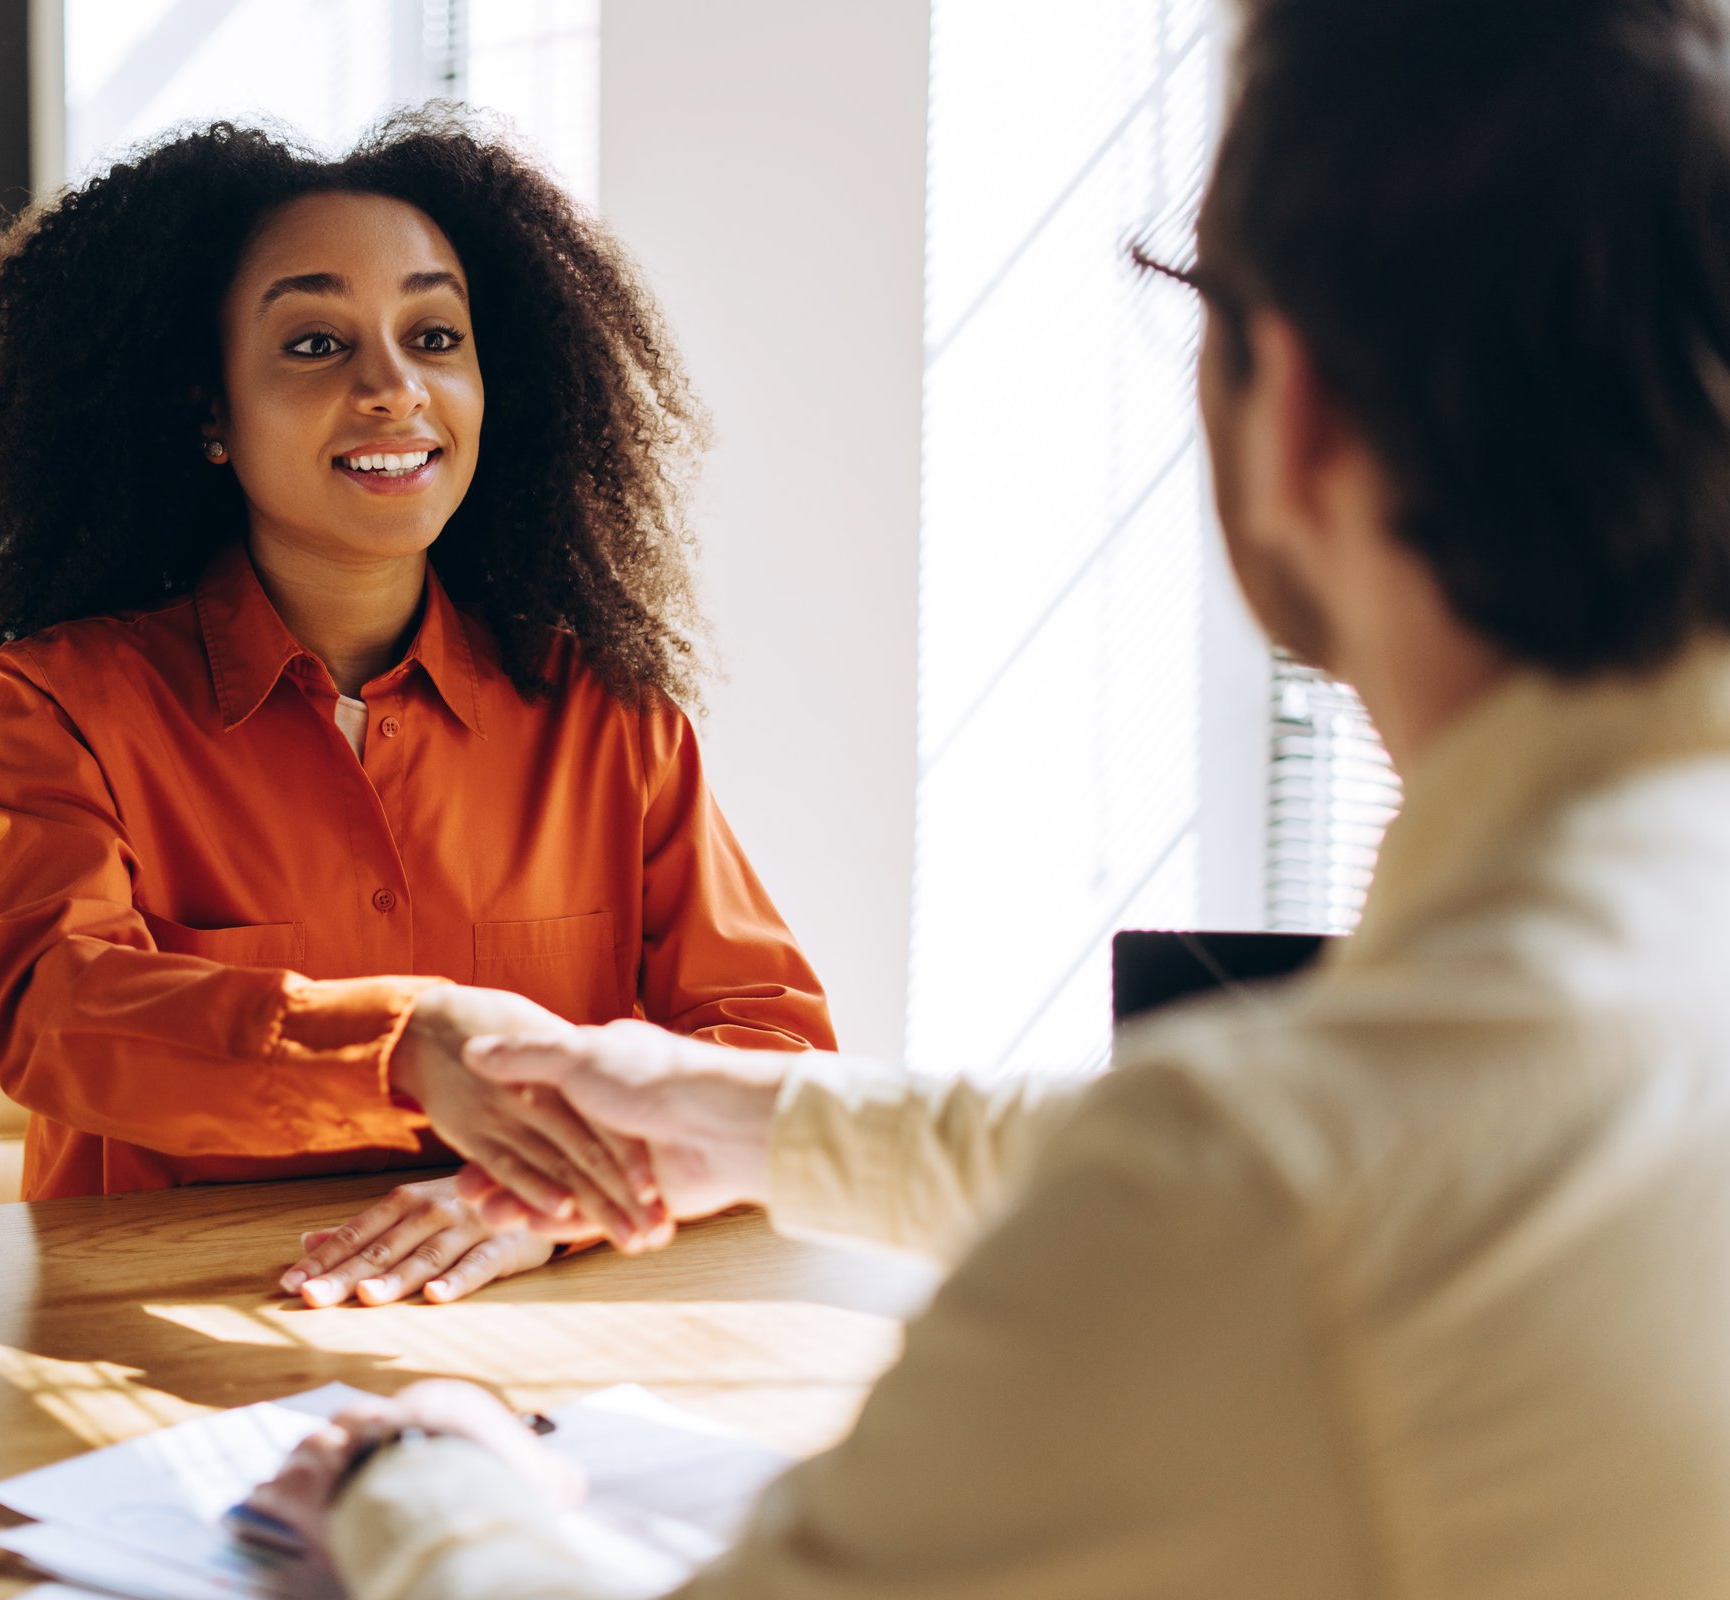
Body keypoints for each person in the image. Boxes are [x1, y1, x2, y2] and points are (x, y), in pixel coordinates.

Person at [247, 0, 1730, 1591]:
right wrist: (749, 1122)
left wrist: (422, 1485)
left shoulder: (1274, 1189)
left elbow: (1245, 1185)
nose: (389, 388)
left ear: (1294, 412)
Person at [0, 113, 834, 1310]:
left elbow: (774, 1052)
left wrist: (541, 1203)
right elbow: (53, 1009)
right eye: (315, 343)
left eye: (435, 336)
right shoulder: (72, 701)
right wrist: (404, 1045)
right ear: (208, 411)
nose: (395, 388)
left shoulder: (609, 718)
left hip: (542, 1336)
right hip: (173, 1332)